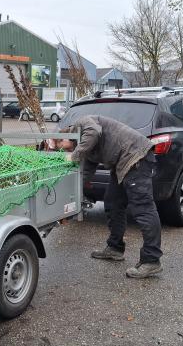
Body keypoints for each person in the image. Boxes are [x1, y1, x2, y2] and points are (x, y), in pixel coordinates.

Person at [55, 115, 163, 279]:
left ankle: (151, 260)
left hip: (136, 158)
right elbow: (85, 174)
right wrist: (70, 198)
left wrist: (74, 155)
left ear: (65, 136)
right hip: (122, 164)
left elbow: (95, 132)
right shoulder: (85, 147)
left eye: (61, 146)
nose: (64, 150)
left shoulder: (82, 124)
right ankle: (115, 248)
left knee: (143, 209)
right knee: (113, 203)